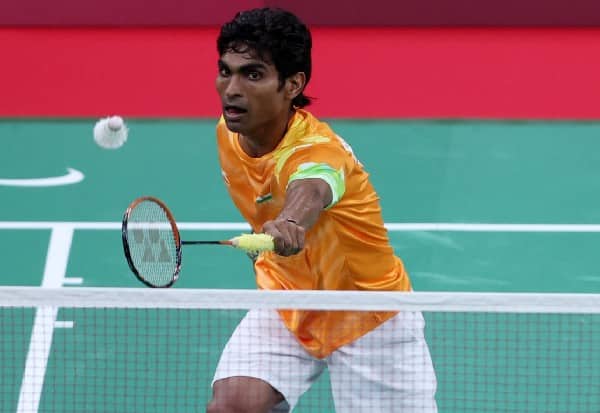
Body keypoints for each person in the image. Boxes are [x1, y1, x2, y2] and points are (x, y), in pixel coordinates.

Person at [207, 7, 437, 413]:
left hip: (366, 315)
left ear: (293, 84)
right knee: (233, 406)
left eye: (253, 75)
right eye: (226, 71)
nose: (232, 89)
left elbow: (312, 186)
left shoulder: (318, 151)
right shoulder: (228, 133)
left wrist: (290, 221)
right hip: (288, 300)